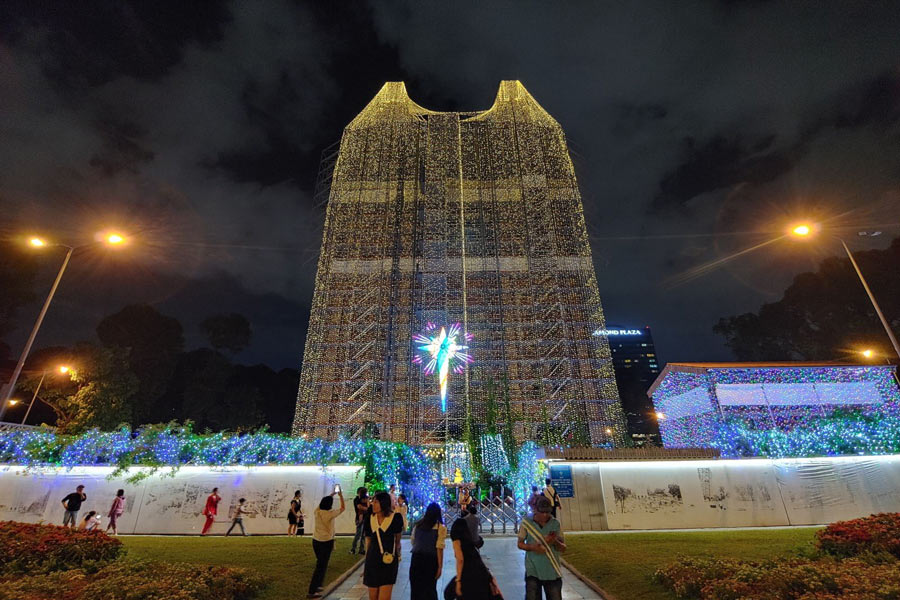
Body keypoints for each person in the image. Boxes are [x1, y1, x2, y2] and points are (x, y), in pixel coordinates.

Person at [517, 496, 566, 600]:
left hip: (552, 570)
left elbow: (563, 548)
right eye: (542, 512)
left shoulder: (555, 524)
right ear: (535, 510)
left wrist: (554, 541)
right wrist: (533, 547)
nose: (545, 515)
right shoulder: (527, 523)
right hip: (533, 570)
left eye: (547, 512)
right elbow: (520, 544)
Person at [449, 511, 500, 600]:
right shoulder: (471, 546)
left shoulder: (457, 539)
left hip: (468, 575)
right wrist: (491, 579)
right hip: (482, 575)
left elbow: (460, 559)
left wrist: (458, 581)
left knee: (448, 593)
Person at [363, 491, 403, 600]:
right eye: (373, 502)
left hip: (388, 560)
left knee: (384, 597)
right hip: (372, 560)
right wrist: (366, 561)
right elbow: (368, 540)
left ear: (384, 503)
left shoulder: (395, 518)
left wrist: (398, 553)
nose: (373, 504)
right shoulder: (369, 518)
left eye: (376, 502)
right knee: (373, 596)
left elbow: (397, 539)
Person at [308, 488, 345, 598]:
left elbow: (323, 502)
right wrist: (340, 495)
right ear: (330, 504)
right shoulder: (330, 514)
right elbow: (343, 508)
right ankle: (312, 591)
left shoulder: (317, 512)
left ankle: (319, 585)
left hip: (316, 541)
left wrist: (332, 494)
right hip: (326, 542)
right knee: (321, 566)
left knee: (321, 564)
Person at [409, 502, 446, 600]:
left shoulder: (418, 525)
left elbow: (413, 541)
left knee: (416, 590)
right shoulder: (440, 527)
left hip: (416, 559)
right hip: (431, 560)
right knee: (430, 589)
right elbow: (439, 548)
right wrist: (440, 567)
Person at [350, 487, 369, 554]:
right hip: (359, 518)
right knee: (358, 534)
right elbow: (359, 506)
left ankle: (361, 549)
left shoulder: (366, 498)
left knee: (363, 535)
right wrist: (368, 508)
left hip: (365, 518)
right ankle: (353, 549)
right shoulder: (357, 499)